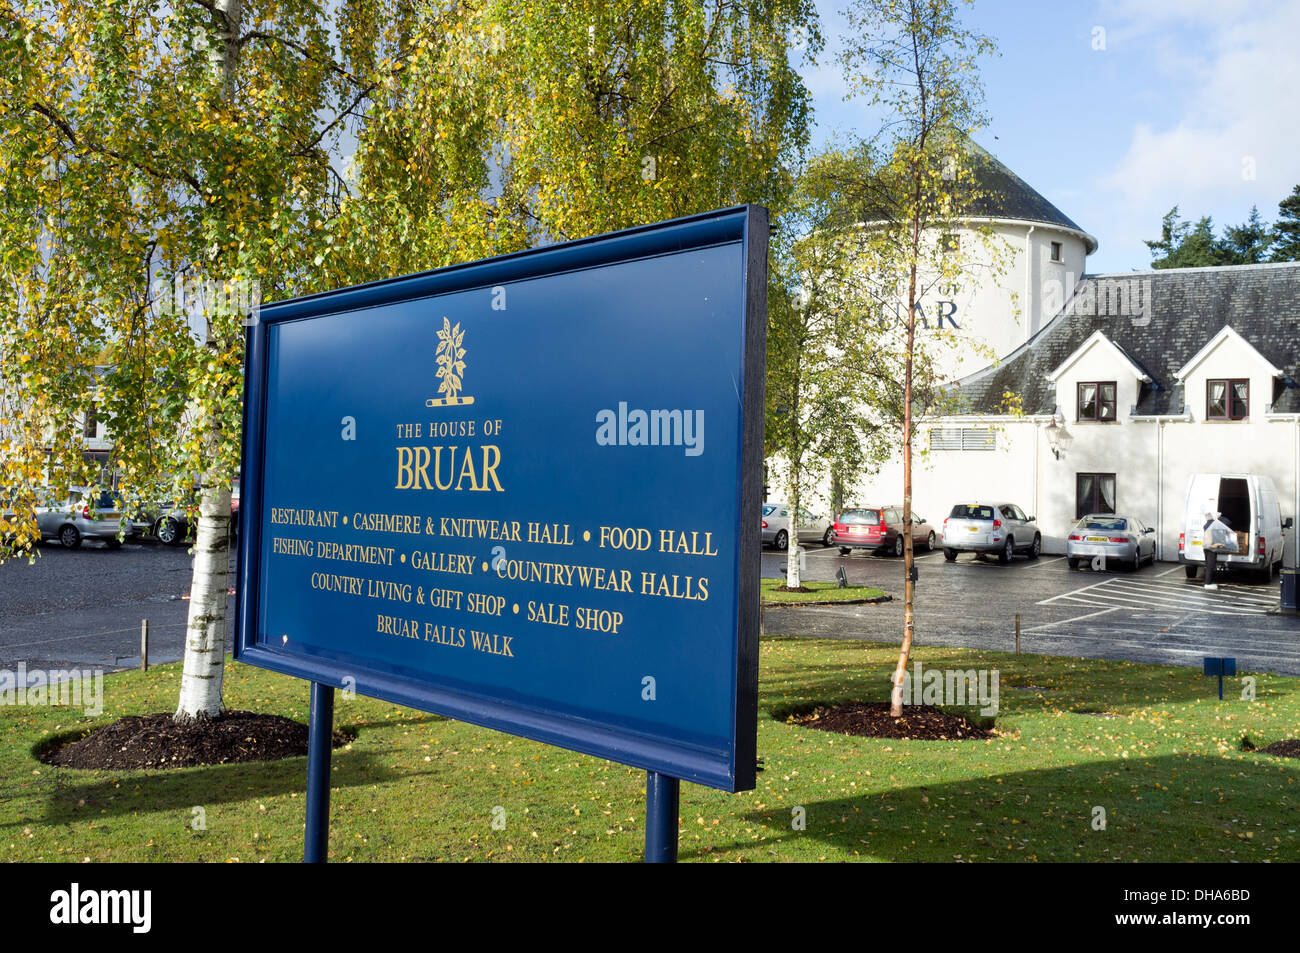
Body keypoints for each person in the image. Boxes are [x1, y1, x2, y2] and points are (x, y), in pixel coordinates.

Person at [1202, 511, 1236, 589]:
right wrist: (1220, 517)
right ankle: (1207, 583)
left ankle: (1207, 582)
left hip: (1206, 547)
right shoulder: (1214, 523)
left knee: (1208, 565)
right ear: (1212, 517)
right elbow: (1228, 522)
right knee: (1211, 565)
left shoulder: (1206, 525)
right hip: (1212, 548)